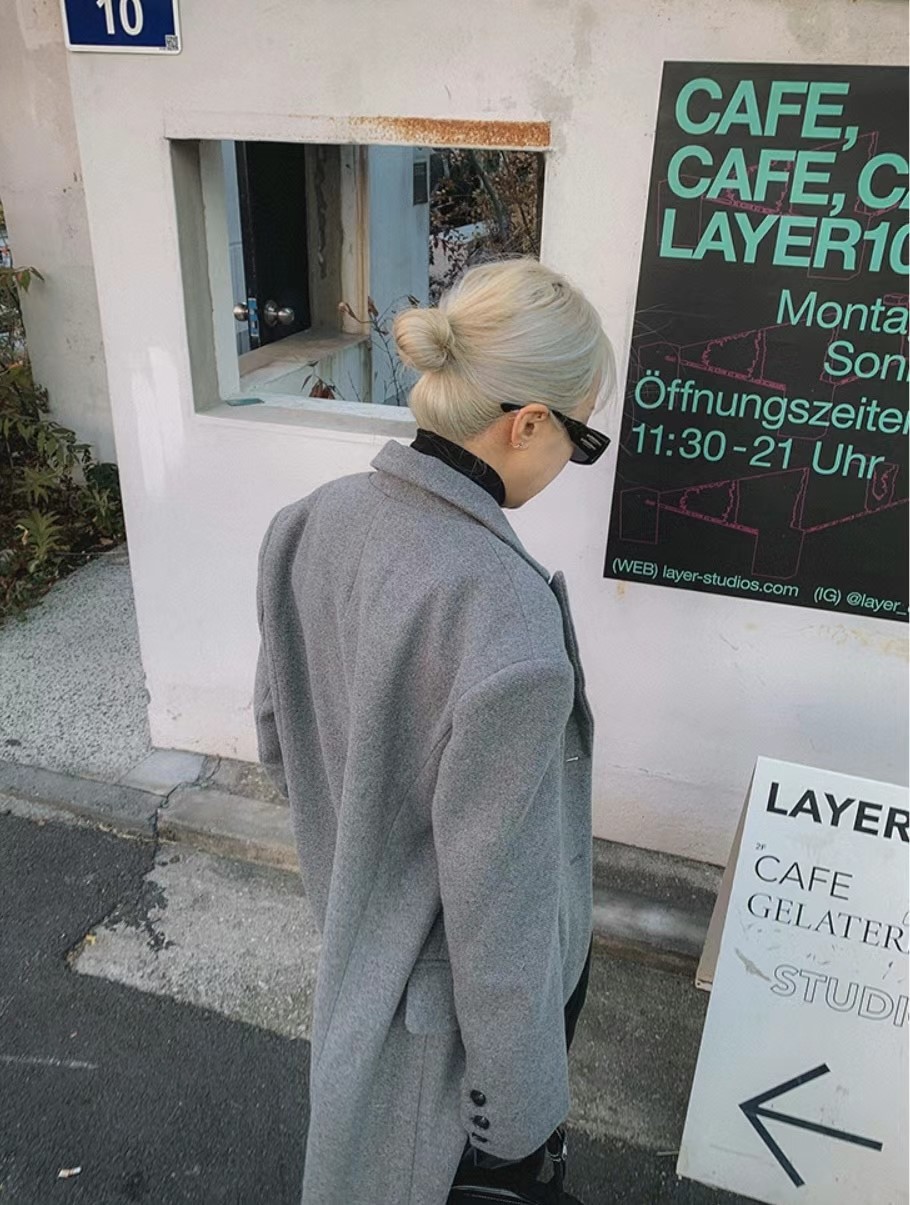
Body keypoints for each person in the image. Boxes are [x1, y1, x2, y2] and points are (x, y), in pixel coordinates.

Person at [253, 256, 614, 1205]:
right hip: (447, 1049)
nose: (569, 465)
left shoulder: (308, 523)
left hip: (355, 954)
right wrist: (517, 1119)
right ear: (525, 423)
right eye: (581, 440)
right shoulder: (506, 620)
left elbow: (280, 738)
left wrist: (362, 864)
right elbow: (503, 919)